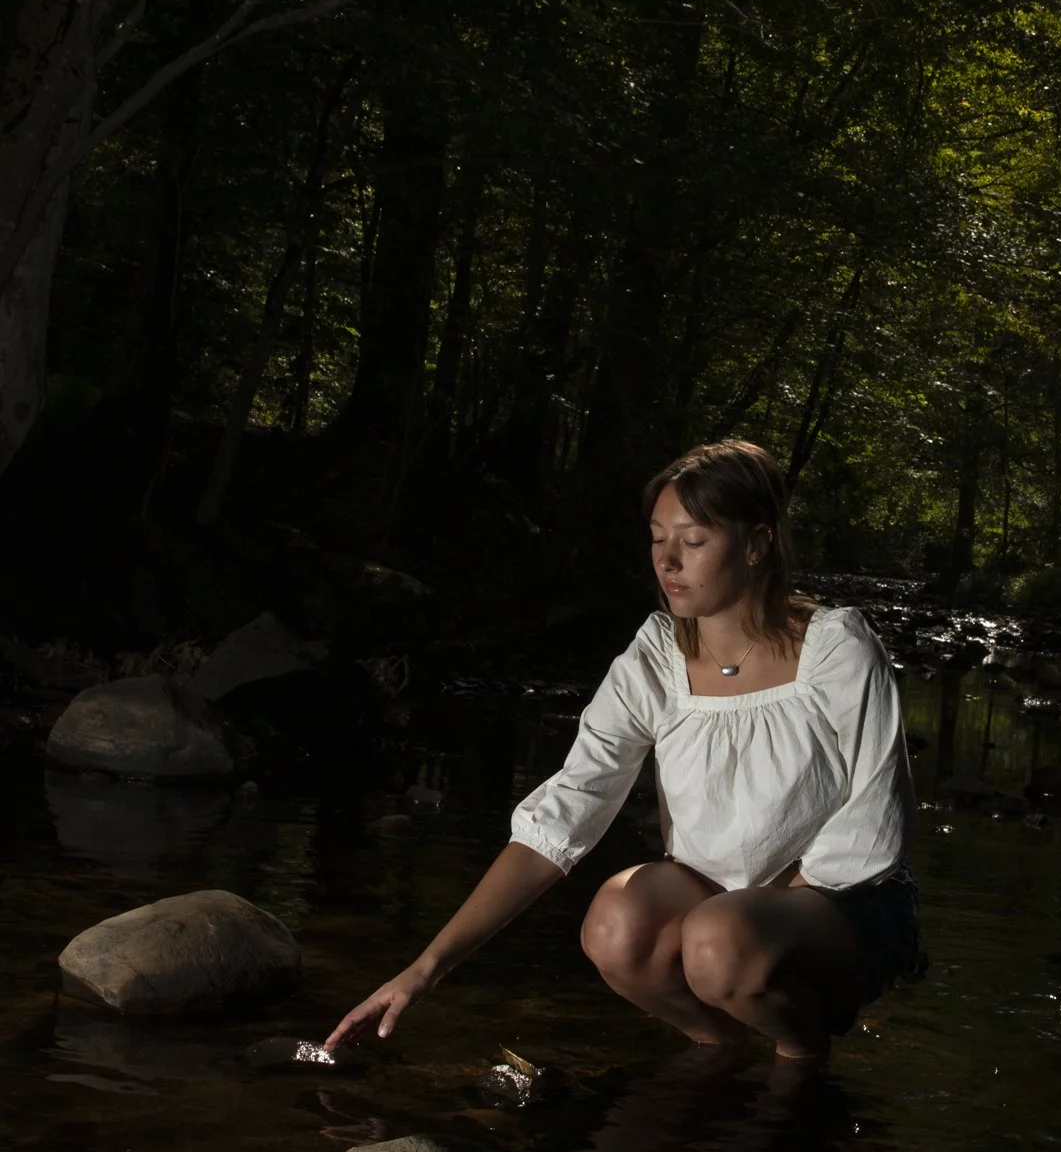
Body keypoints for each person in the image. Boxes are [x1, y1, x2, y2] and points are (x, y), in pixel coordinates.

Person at [325, 439, 919, 1063]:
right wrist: (425, 970)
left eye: (692, 541)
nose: (667, 561)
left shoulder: (835, 648)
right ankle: (721, 1055)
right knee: (614, 924)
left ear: (756, 543)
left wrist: (768, 906)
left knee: (718, 943)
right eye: (658, 538)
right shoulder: (656, 656)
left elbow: (875, 820)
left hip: (845, 902)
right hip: (718, 910)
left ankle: (801, 1060)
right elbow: (567, 811)